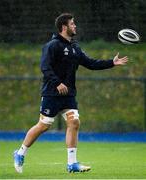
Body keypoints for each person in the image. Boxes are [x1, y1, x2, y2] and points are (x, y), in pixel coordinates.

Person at [13, 13, 128, 173]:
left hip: (69, 95)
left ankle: (72, 164)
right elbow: (45, 67)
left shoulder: (75, 47)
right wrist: (57, 83)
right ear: (64, 27)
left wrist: (111, 63)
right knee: (44, 125)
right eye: (73, 24)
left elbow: (90, 63)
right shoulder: (52, 46)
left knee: (74, 123)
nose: (75, 26)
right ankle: (20, 153)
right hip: (51, 93)